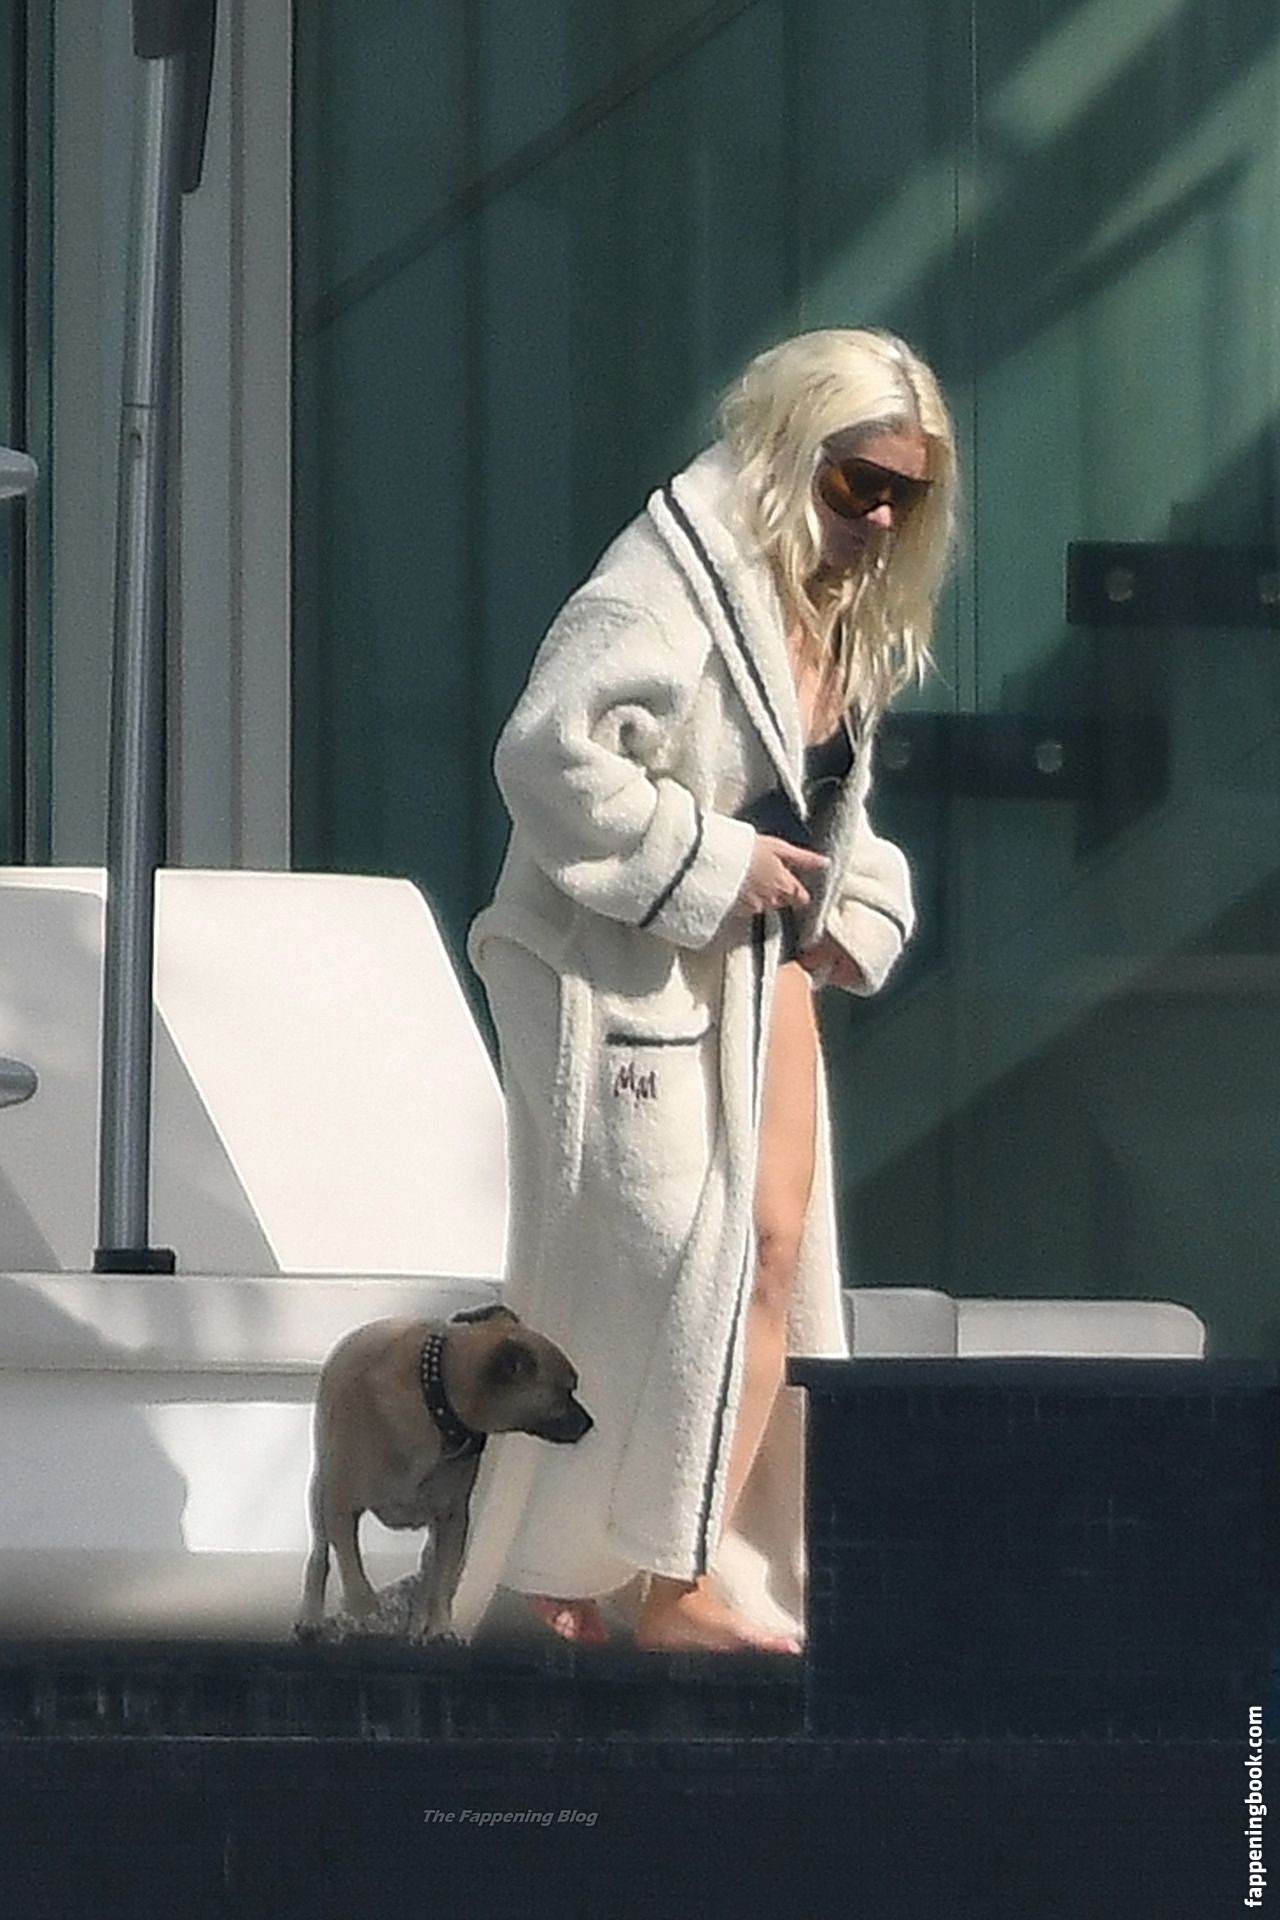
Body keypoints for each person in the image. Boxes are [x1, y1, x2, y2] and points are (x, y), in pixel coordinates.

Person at [449, 328, 958, 1654]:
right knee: (653, 1268)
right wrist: (713, 863)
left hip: (753, 970)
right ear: (791, 454)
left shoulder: (834, 604)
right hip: (622, 973)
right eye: (858, 482)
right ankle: (611, 1568)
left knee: (773, 1258)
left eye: (908, 494)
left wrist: (852, 906)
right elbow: (546, 755)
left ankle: (685, 1570)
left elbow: (817, 803)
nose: (882, 515)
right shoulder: (664, 581)